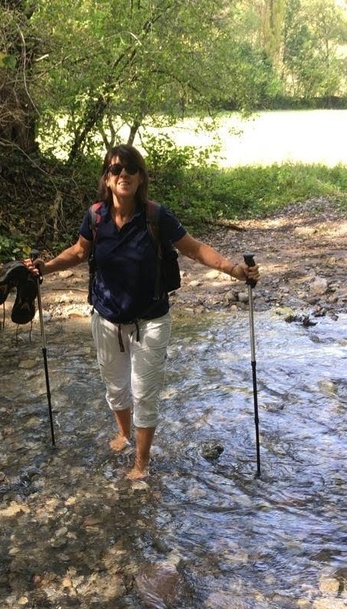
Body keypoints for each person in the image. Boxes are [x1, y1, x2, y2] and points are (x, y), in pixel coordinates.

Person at [24, 145, 260, 480]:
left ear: (140, 177)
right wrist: (44, 268)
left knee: (144, 394)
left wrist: (233, 269)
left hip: (150, 321)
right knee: (115, 389)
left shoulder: (155, 216)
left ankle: (141, 463)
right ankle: (123, 434)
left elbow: (194, 249)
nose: (123, 175)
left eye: (130, 169)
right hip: (105, 319)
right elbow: (79, 252)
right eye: (116, 169)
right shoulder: (95, 216)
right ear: (107, 178)